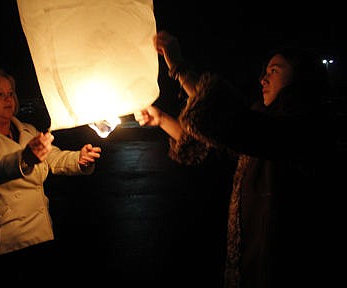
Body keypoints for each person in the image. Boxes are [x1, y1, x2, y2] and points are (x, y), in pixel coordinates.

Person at [135, 31, 338, 288]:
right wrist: (161, 119)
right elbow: (212, 149)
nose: (263, 79)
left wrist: (179, 68)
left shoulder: (306, 130)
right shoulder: (265, 129)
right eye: (265, 71)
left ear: (301, 78)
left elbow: (234, 122)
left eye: (274, 71)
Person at [0, 68, 102, 257]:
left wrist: (79, 159)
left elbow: (53, 157)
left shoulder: (27, 130)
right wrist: (23, 160)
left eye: (10, 93)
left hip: (40, 235)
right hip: (2, 243)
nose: (8, 99)